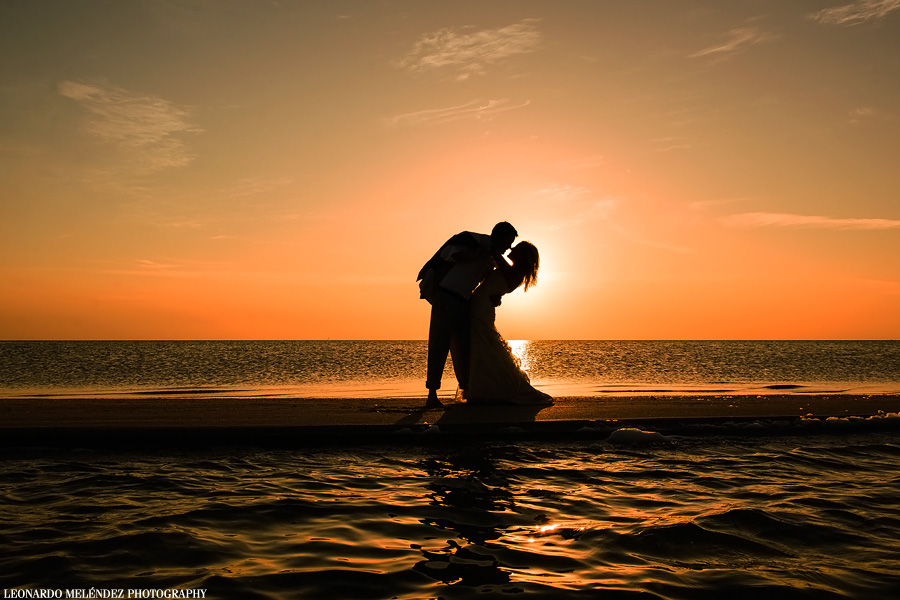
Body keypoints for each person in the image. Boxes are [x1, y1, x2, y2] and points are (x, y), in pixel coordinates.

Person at [417, 222, 518, 407]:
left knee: (463, 347)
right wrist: (475, 254)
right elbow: (448, 254)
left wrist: (495, 296)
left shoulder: (492, 259)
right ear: (499, 237)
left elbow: (485, 281)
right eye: (508, 242)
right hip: (446, 295)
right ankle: (432, 395)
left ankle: (467, 390)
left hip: (465, 301)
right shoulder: (475, 240)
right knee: (439, 343)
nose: (508, 248)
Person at [465, 241, 552, 405]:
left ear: (521, 256)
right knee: (483, 345)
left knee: (485, 344)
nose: (511, 249)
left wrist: (492, 242)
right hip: (482, 306)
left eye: (515, 248)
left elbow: (495, 253)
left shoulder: (513, 271)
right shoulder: (513, 271)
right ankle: (486, 386)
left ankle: (493, 387)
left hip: (481, 308)